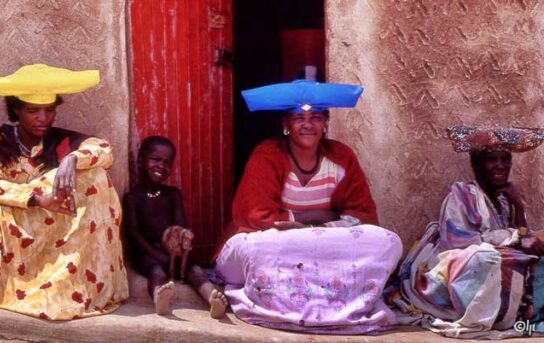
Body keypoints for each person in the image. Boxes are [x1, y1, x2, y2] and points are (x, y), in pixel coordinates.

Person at [213, 80, 403, 334]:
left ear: (324, 124)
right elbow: (256, 216)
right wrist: (318, 215)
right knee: (257, 246)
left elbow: (363, 215)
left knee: (388, 241)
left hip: (319, 244)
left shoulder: (342, 156)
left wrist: (311, 226)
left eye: (315, 117)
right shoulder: (267, 154)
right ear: (286, 125)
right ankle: (278, 304)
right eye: (298, 118)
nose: (307, 124)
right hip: (271, 244)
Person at [0, 64, 129, 320]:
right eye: (33, 111)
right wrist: (38, 199)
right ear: (16, 110)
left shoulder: (63, 141)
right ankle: (6, 289)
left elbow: (104, 150)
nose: (42, 118)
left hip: (51, 231)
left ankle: (73, 287)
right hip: (9, 227)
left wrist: (73, 159)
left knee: (95, 175)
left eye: (49, 110)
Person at [390, 125, 544, 339]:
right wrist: (515, 238)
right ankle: (488, 317)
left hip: (498, 261)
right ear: (477, 164)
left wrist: (518, 206)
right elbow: (457, 241)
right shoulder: (461, 194)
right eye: (492, 159)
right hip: (456, 268)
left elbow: (524, 237)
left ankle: (525, 314)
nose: (500, 166)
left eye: (505, 159)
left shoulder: (505, 200)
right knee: (485, 257)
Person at [122, 136, 227, 317]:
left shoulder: (173, 194)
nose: (162, 166)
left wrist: (180, 246)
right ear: (140, 161)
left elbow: (181, 225)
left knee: (194, 270)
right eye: (155, 160)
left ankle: (212, 297)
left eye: (167, 162)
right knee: (155, 271)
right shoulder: (133, 198)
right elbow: (133, 233)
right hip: (147, 253)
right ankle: (159, 298)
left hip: (174, 252)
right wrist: (159, 256)